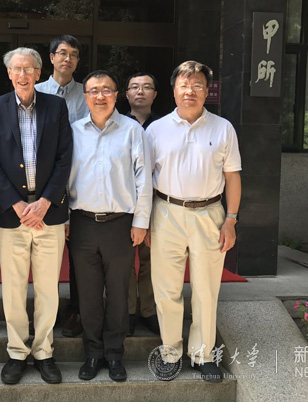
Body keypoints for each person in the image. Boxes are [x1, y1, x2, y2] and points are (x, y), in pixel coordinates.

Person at [0, 47, 73, 385]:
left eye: (29, 69)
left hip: (49, 212)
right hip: (12, 215)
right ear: (9, 74)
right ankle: (17, 351)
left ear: (38, 73)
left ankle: (44, 351)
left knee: (48, 287)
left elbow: (65, 157)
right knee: (14, 288)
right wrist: (17, 205)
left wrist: (46, 202)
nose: (22, 75)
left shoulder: (56, 106)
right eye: (16, 69)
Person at [147, 60, 242, 382]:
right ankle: (170, 352)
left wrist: (231, 220)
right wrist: (144, 221)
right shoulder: (155, 130)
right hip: (166, 212)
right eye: (184, 85)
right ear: (174, 90)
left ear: (207, 91)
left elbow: (233, 176)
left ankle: (203, 355)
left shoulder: (223, 128)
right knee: (167, 289)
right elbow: (144, 179)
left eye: (198, 85)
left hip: (209, 214)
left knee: (206, 289)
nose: (190, 91)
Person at [67, 70, 152, 382]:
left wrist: (141, 222)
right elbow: (63, 179)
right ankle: (92, 353)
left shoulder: (132, 131)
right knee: (88, 294)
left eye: (106, 90)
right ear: (85, 97)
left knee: (118, 294)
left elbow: (144, 180)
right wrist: (64, 220)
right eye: (93, 91)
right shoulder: (73, 131)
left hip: (120, 224)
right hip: (82, 223)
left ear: (116, 95)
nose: (99, 96)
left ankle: (115, 354)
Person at [35, 34, 88, 338]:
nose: (68, 58)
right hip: (45, 185)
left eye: (74, 54)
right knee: (46, 255)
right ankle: (47, 310)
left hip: (81, 183)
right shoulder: (36, 92)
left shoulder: (88, 93)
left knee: (79, 254)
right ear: (52, 58)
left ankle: (77, 310)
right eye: (63, 53)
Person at [124, 72, 161, 337]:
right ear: (126, 94)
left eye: (147, 87)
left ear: (155, 94)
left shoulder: (164, 126)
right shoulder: (118, 124)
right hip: (124, 201)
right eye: (135, 87)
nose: (140, 91)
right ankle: (127, 311)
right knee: (125, 259)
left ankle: (148, 310)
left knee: (151, 258)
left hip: (157, 200)